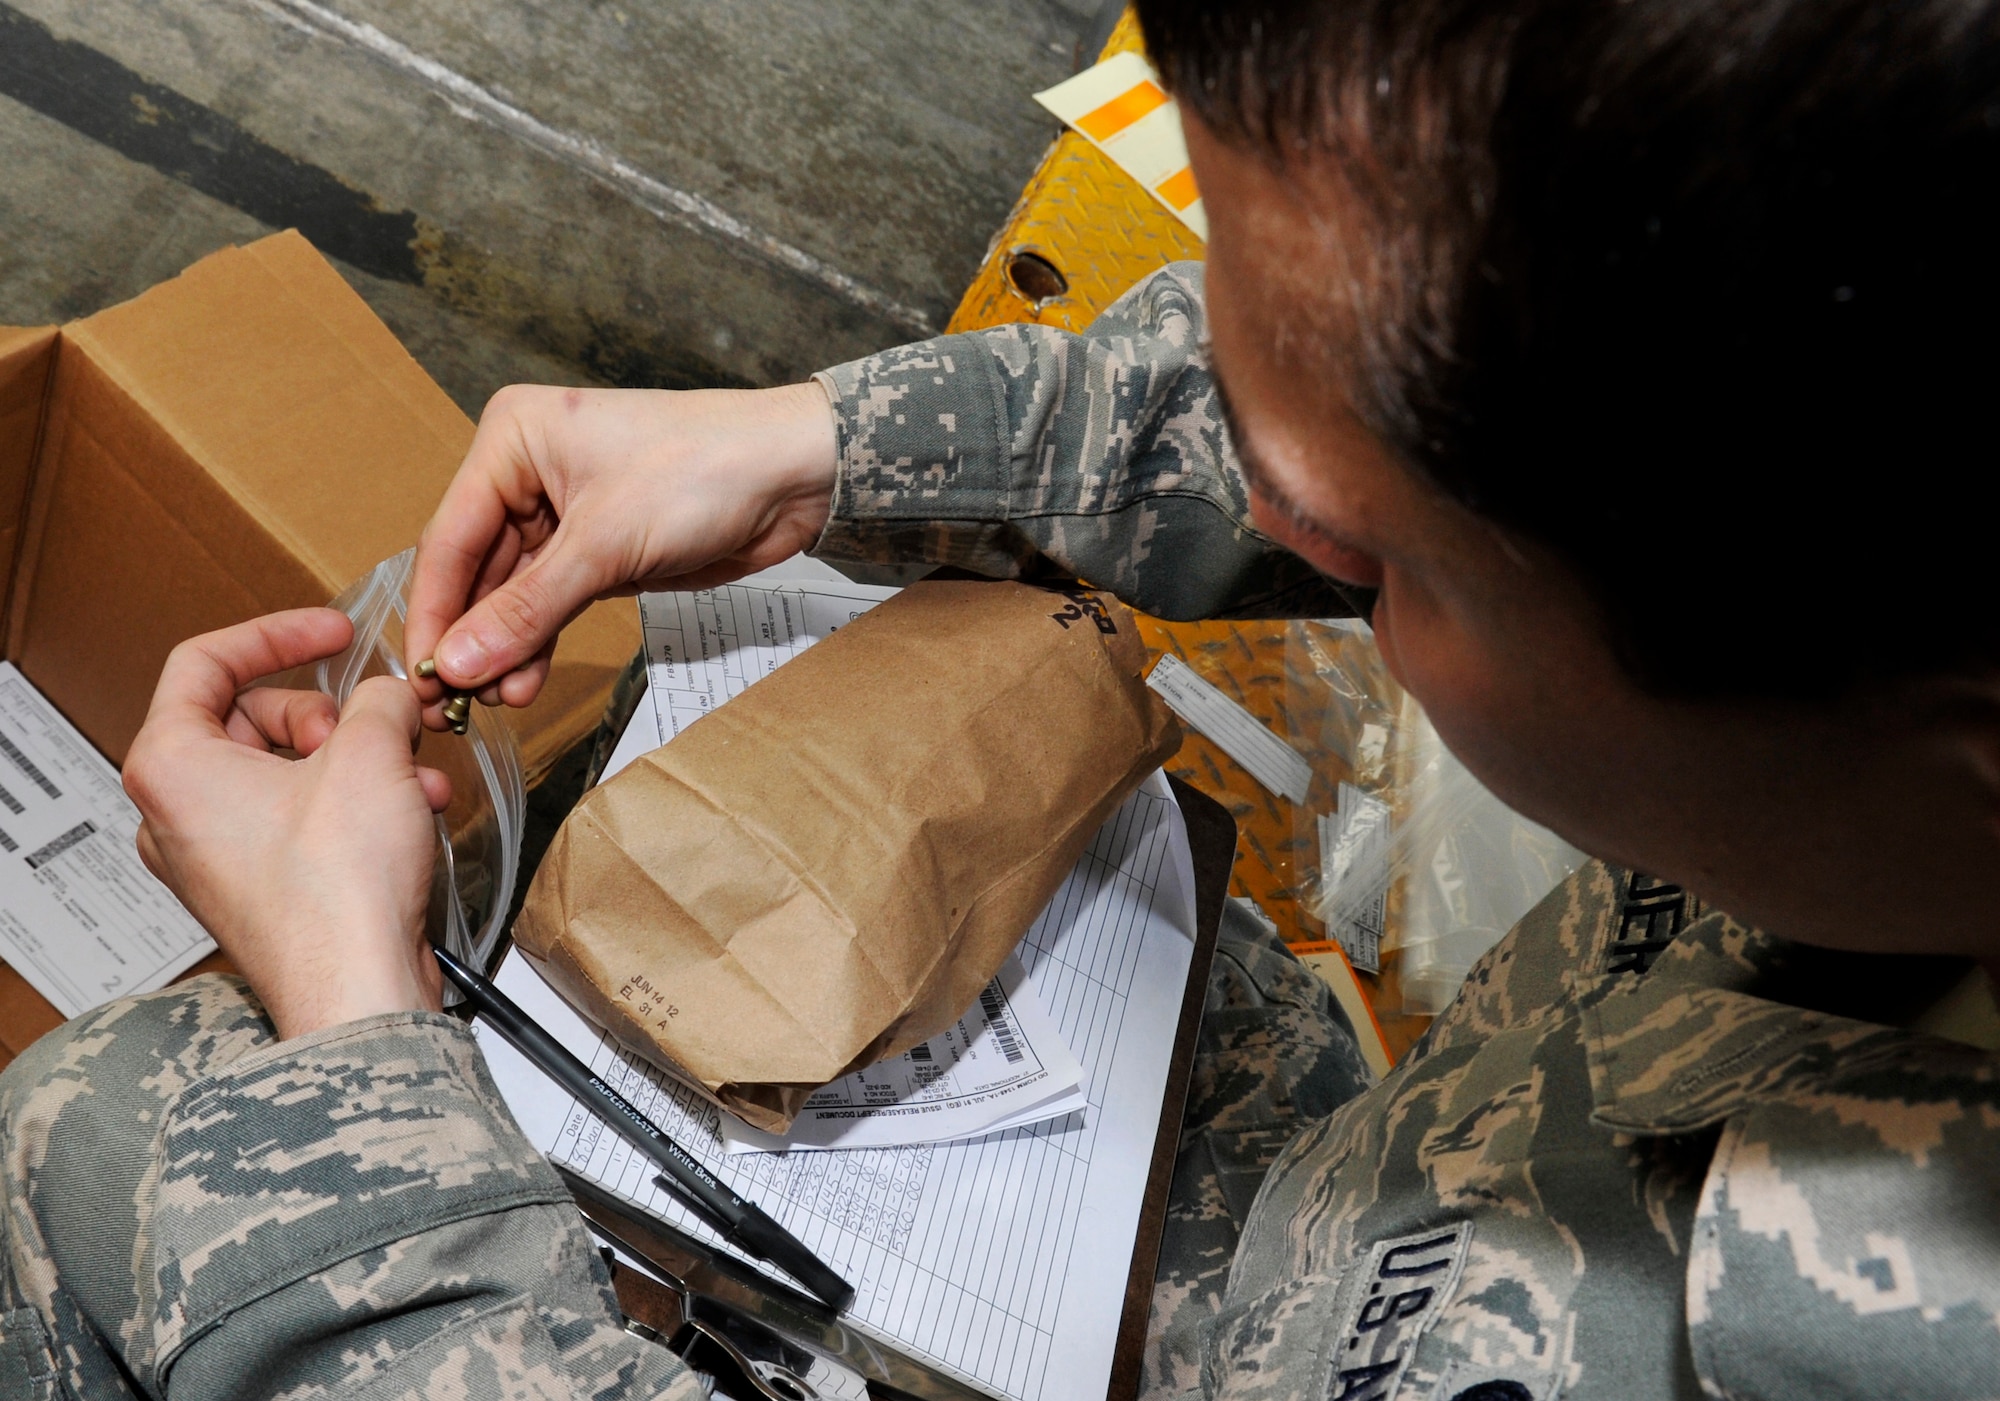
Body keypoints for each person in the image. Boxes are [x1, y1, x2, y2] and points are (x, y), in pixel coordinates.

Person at [4, 0, 1998, 1396]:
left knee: (119, 1140)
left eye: (1357, 555)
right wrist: (842, 448)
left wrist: (359, 1046)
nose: (1279, 517)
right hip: (1312, 1201)